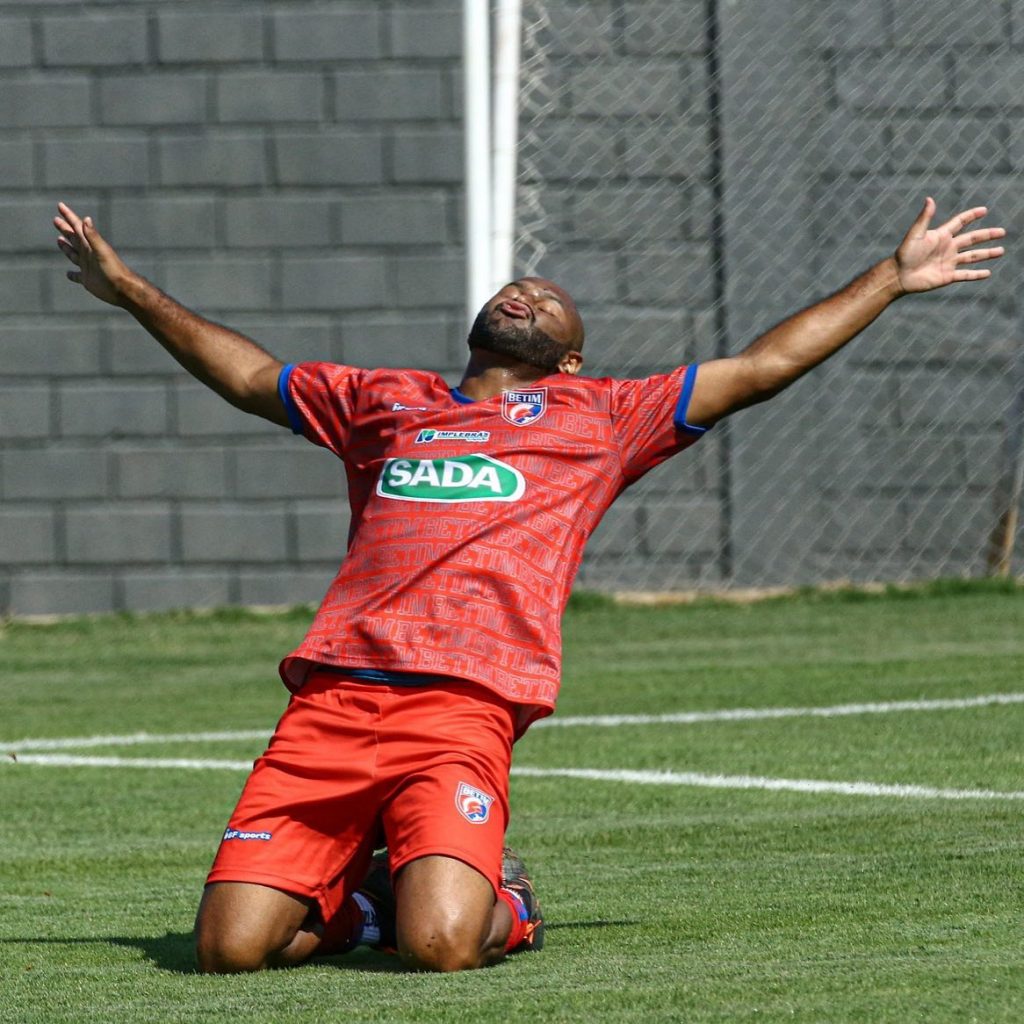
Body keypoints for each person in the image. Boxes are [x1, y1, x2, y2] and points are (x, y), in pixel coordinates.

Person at [53, 197, 1005, 973]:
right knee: (227, 952)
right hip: (334, 700)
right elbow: (252, 375)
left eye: (549, 301)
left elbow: (762, 367)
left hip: (465, 707)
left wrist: (892, 276)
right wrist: (129, 288)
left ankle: (496, 898)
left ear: (573, 357)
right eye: (519, 290)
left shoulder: (606, 417)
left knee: (448, 949)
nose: (529, 294)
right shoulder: (386, 403)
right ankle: (361, 902)